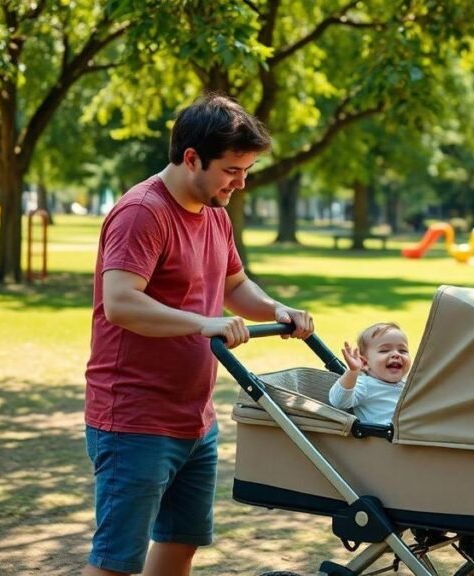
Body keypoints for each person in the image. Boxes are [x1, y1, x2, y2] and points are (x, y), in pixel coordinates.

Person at [82, 94, 314, 576]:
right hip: (134, 417)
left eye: (247, 170)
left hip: (194, 418)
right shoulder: (142, 211)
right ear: (192, 158)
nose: (242, 182)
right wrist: (203, 323)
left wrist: (277, 309)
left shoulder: (214, 214)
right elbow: (121, 302)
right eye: (232, 170)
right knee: (115, 563)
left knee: (180, 544)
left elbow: (234, 286)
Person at [329, 322, 412, 425]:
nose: (396, 354)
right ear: (364, 362)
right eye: (384, 350)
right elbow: (338, 401)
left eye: (403, 351)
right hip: (385, 438)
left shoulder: (410, 385)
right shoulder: (365, 384)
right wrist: (352, 371)